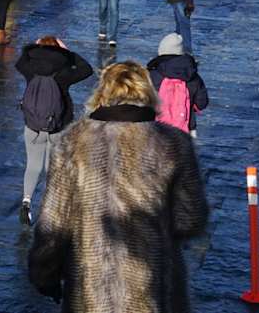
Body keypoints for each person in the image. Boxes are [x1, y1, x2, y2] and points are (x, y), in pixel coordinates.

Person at [27, 61, 208, 312]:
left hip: (90, 291)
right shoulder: (173, 143)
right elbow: (190, 220)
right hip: (151, 287)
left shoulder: (72, 142)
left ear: (103, 94)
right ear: (146, 94)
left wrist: (44, 274)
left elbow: (54, 225)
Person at [16, 36, 94, 224]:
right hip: (58, 124)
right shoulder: (63, 72)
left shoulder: (30, 69)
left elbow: (20, 61)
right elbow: (87, 69)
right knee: (53, 166)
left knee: (33, 165)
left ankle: (26, 202)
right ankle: (51, 206)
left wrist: (32, 48)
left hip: (33, 124)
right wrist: (68, 53)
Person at [147, 35, 209, 139]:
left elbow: (142, 100)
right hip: (186, 129)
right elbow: (201, 103)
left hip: (156, 128)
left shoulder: (152, 75)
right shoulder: (193, 77)